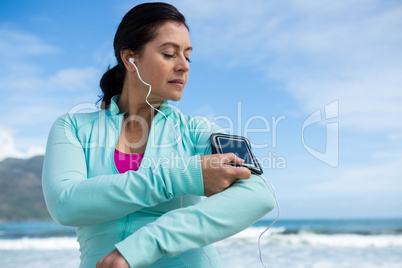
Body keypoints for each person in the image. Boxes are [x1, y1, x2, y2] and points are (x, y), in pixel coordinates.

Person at [42, 2, 275, 268]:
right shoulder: (73, 127)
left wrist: (144, 245)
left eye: (188, 56)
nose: (184, 66)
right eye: (169, 54)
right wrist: (183, 176)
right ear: (130, 58)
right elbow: (65, 203)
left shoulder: (198, 131)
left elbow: (258, 192)